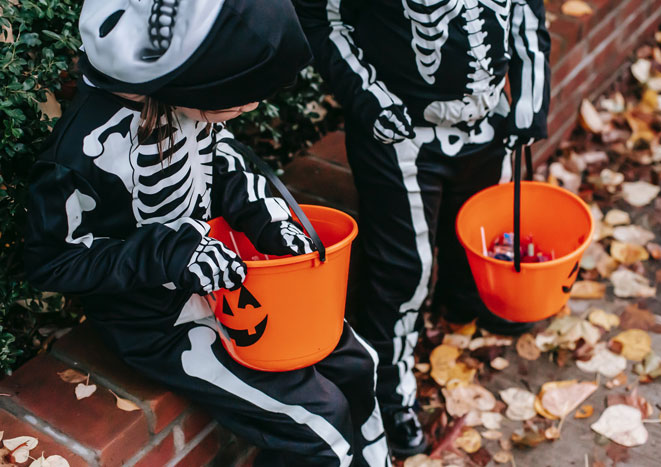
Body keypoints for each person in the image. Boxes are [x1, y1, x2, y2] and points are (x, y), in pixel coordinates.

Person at [23, 1, 391, 466]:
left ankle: (376, 458)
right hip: (162, 324)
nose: (252, 106)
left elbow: (226, 165)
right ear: (182, 79)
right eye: (236, 95)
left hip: (231, 286)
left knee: (359, 362)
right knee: (319, 425)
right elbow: (53, 262)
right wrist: (168, 253)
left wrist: (269, 220)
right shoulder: (81, 153)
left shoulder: (183, 104)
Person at [293, 0, 551, 456]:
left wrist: (530, 98)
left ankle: (465, 302)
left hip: (489, 121)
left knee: (478, 234)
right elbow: (318, 15)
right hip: (402, 132)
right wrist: (368, 96)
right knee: (403, 269)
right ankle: (388, 391)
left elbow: (528, 13)